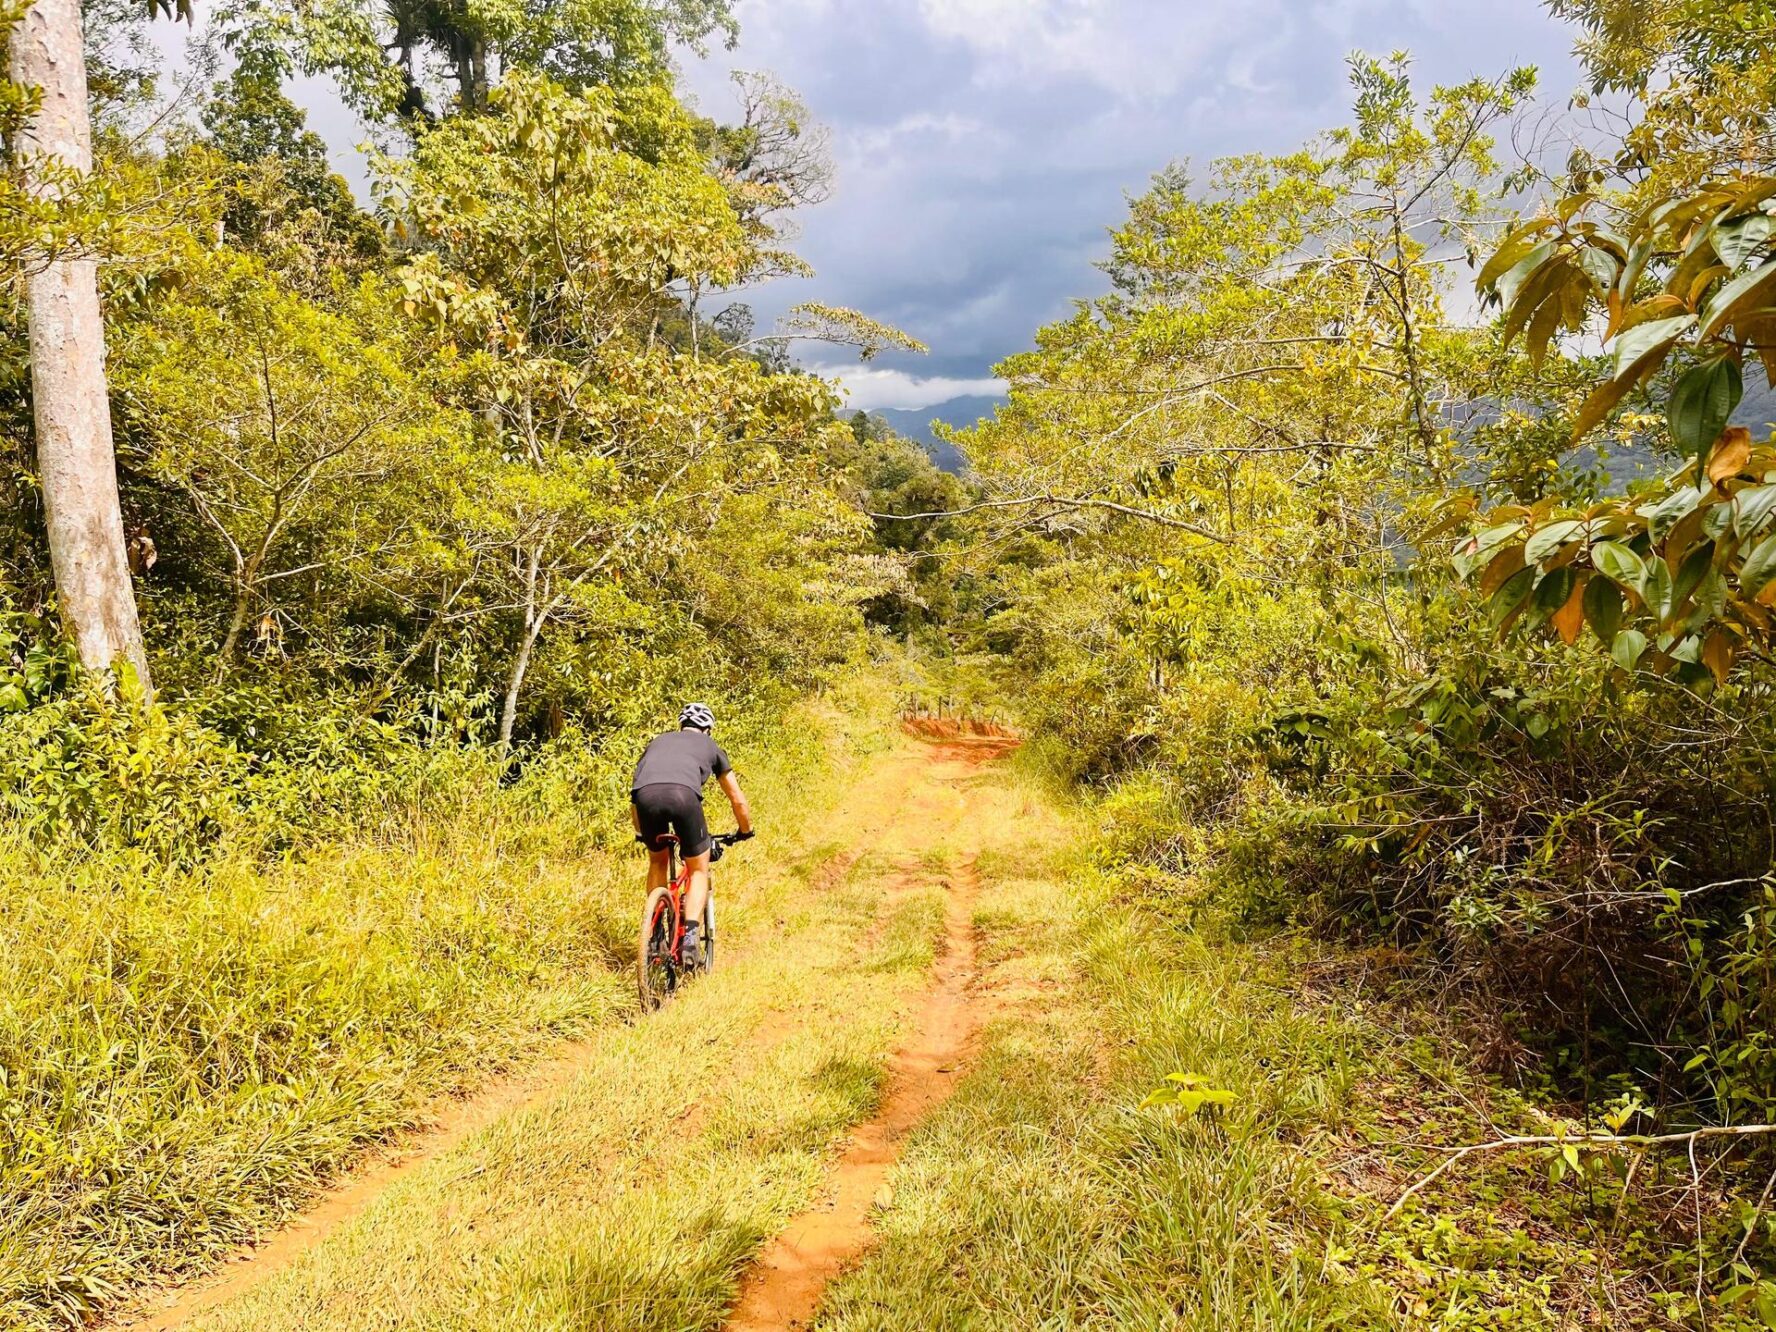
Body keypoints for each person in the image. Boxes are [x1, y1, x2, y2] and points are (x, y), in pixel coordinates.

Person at [630, 702, 753, 967]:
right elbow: (737, 799)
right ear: (707, 729)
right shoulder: (711, 747)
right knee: (698, 868)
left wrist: (641, 833)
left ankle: (656, 933)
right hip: (683, 796)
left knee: (657, 860)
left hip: (645, 798)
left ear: (681, 726)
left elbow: (634, 796)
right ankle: (690, 941)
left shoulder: (657, 742)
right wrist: (745, 831)